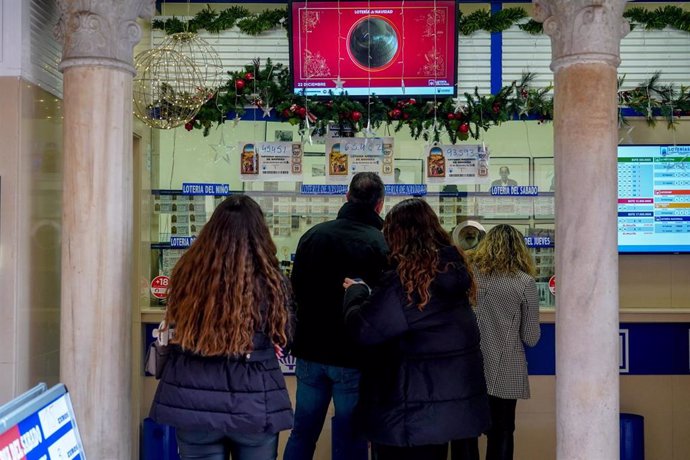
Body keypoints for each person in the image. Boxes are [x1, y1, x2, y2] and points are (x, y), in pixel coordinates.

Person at [342, 198, 490, 460]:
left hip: (410, 414)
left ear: (396, 236)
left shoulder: (403, 284)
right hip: (447, 411)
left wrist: (355, 293)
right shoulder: (452, 273)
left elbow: (363, 330)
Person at [149, 195, 293, 460]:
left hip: (194, 403)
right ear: (260, 233)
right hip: (253, 403)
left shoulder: (187, 275)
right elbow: (285, 334)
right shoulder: (272, 281)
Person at [284, 172, 389, 460]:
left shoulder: (313, 235)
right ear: (379, 204)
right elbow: (383, 305)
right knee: (351, 436)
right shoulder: (380, 243)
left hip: (311, 350)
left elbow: (296, 290)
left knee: (302, 433)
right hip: (353, 356)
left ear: (347, 197)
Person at [463, 224, 541, 460]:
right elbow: (531, 337)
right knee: (503, 432)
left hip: (468, 369)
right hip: (506, 370)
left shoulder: (470, 276)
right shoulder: (525, 283)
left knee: (466, 433)